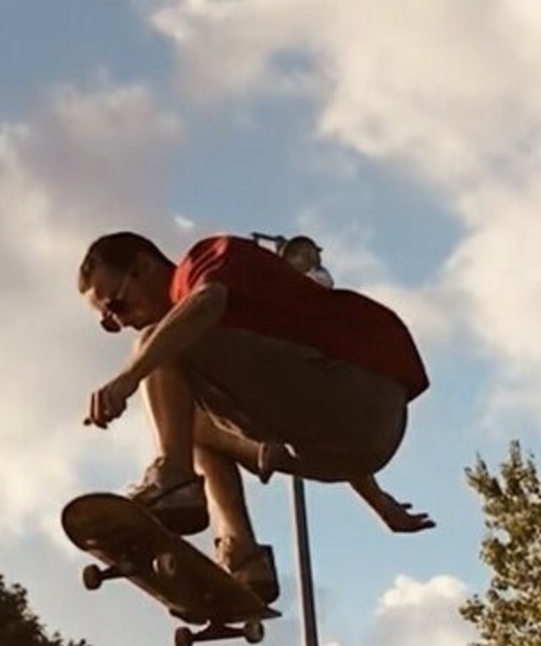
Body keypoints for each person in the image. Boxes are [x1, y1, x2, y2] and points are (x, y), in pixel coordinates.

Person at [77, 230, 432, 602]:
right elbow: (336, 426)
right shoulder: (216, 367)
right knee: (191, 428)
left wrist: (129, 378)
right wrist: (380, 504)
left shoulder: (202, 262)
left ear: (143, 266)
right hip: (354, 446)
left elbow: (208, 302)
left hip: (360, 380)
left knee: (158, 341)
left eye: (118, 306)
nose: (123, 324)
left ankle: (172, 478)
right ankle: (243, 554)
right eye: (109, 324)